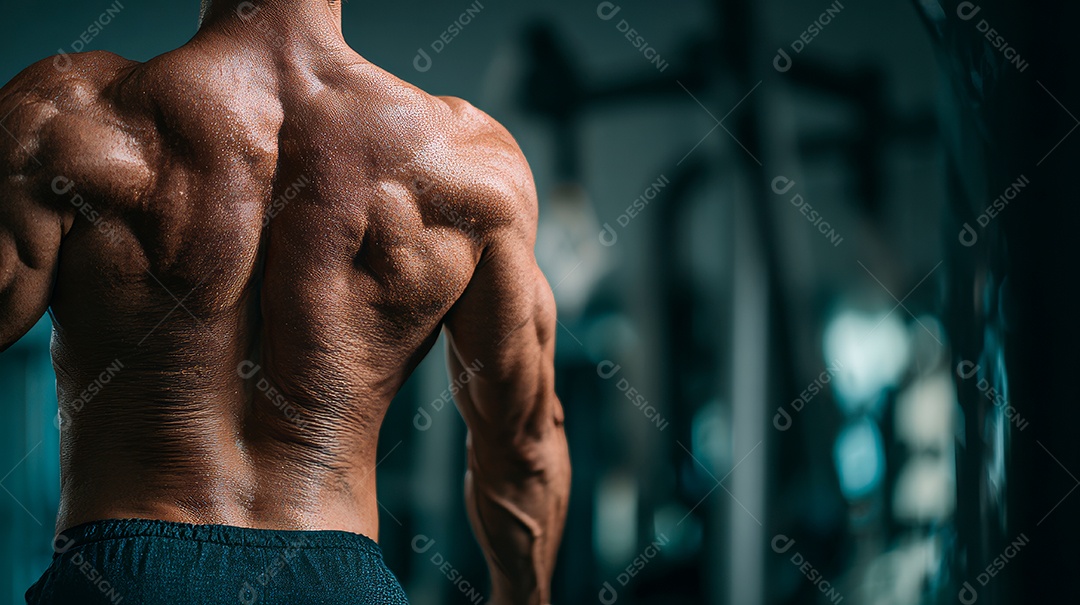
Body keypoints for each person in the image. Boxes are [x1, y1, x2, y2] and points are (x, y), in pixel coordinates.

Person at [0, 0, 570, 602]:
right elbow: (526, 451)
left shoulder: (66, 119)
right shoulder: (472, 165)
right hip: (342, 583)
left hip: (125, 577)